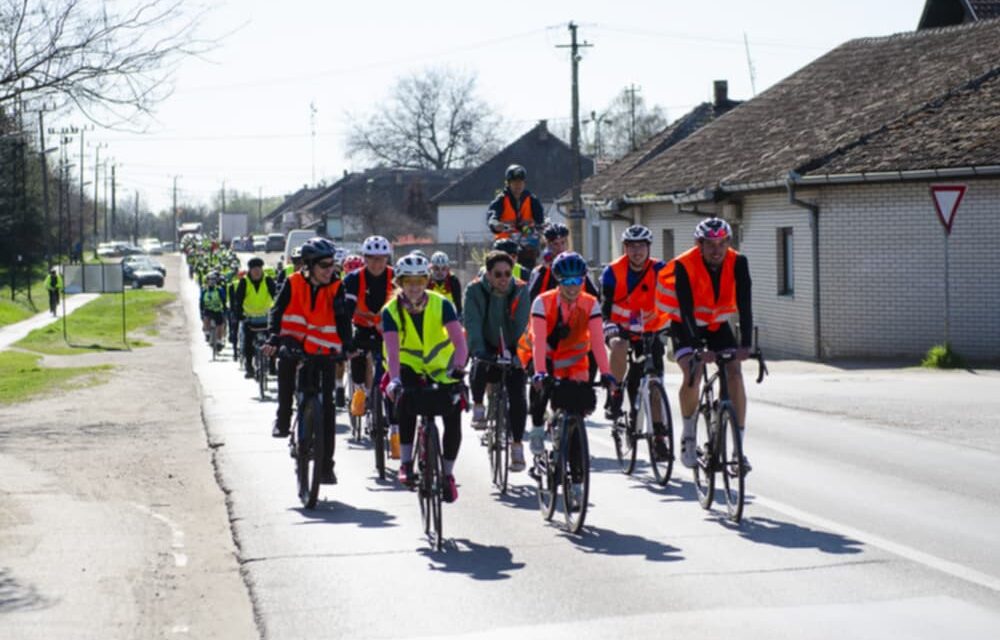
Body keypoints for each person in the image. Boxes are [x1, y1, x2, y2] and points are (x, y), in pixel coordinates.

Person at [656, 217, 753, 470]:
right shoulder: (684, 265)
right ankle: (688, 434)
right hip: (685, 326)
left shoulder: (738, 262)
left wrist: (747, 344)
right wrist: (699, 349)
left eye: (722, 244)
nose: (716, 250)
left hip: (717, 324)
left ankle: (738, 450)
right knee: (694, 371)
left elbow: (745, 304)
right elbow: (686, 309)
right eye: (709, 244)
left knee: (734, 373)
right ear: (699, 244)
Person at [524, 252, 616, 507]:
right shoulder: (543, 303)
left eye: (578, 280)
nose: (573, 286)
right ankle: (538, 429)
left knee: (576, 418)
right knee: (540, 385)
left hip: (575, 360)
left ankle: (576, 483)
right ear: (558, 280)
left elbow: (597, 342)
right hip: (546, 356)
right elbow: (539, 342)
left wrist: (607, 372)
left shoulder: (591, 303)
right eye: (567, 281)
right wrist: (541, 371)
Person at [262, 237, 353, 484]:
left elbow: (343, 319)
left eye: (332, 264)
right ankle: (283, 417)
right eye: (324, 265)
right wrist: (273, 338)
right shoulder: (292, 283)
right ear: (310, 265)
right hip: (294, 342)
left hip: (324, 348)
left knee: (328, 410)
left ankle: (326, 466)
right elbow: (277, 311)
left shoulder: (337, 286)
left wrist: (347, 346)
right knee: (286, 367)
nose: (330, 269)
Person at [383, 254, 468, 502]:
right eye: (408, 281)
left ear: (426, 281)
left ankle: (448, 475)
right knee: (406, 401)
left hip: (443, 367)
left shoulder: (442, 304)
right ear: (399, 282)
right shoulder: (390, 311)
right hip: (409, 367)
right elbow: (392, 350)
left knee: (453, 416)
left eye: (420, 280)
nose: (414, 287)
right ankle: (407, 463)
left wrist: (460, 367)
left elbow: (459, 342)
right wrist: (395, 379)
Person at [600, 225, 671, 459]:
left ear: (649, 247)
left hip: (649, 330)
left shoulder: (661, 270)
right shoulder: (612, 272)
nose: (637, 251)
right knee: (619, 345)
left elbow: (675, 301)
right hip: (619, 327)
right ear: (625, 248)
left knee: (653, 382)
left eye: (641, 246)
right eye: (632, 246)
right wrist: (608, 324)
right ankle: (615, 392)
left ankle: (659, 438)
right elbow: (605, 306)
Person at [463, 250, 530, 471]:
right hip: (486, 341)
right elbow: (472, 324)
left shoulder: (520, 290)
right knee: (479, 366)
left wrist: (520, 356)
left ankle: (517, 447)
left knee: (518, 396)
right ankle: (479, 405)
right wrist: (479, 350)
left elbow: (523, 325)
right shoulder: (474, 290)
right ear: (488, 274)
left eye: (507, 274)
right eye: (498, 274)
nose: (503, 279)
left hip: (512, 344)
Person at [342, 235, 397, 452]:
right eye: (372, 259)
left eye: (381, 259)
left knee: (390, 371)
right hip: (363, 326)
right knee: (356, 353)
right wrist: (345, 342)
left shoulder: (395, 277)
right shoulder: (354, 279)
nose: (377, 264)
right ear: (365, 259)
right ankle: (360, 391)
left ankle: (392, 424)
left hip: (388, 330)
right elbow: (346, 312)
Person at [486, 164, 545, 269]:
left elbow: (540, 220)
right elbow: (492, 216)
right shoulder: (501, 200)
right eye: (515, 182)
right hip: (504, 249)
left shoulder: (532, 200)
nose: (518, 185)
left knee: (534, 267)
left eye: (521, 182)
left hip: (527, 246)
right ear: (508, 183)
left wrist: (537, 227)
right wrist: (495, 224)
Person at [527, 222, 598, 301]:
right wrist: (543, 270)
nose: (560, 248)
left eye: (563, 243)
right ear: (548, 245)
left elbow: (595, 297)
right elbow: (530, 298)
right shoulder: (540, 271)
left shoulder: (578, 266)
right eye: (555, 244)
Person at [232, 257, 277, 379]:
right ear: (250, 270)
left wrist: (277, 313)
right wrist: (239, 315)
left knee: (273, 341)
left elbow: (276, 297)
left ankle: (272, 365)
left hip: (266, 317)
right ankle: (249, 366)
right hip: (250, 318)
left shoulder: (268, 280)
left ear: (262, 269)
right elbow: (238, 300)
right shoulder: (244, 282)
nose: (256, 271)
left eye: (259, 269)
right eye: (254, 269)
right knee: (248, 343)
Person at [199, 271, 228, 352]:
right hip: (208, 310)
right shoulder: (204, 290)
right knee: (206, 317)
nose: (212, 281)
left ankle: (219, 341)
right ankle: (207, 334)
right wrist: (201, 311)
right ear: (207, 281)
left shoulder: (219, 289)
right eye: (210, 280)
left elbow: (223, 300)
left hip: (217, 310)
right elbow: (201, 301)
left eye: (213, 280)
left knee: (221, 324)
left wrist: (225, 309)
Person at [428, 251, 463, 316]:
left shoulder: (453, 280)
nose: (440, 272)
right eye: (436, 268)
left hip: (449, 316)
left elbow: (458, 304)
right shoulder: (427, 281)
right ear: (431, 268)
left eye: (443, 268)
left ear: (448, 269)